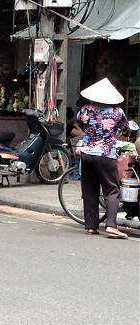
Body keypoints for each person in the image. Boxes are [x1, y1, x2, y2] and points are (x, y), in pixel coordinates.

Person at [76, 77, 129, 239]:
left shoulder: (85, 110)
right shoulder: (117, 112)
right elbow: (125, 128)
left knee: (89, 190)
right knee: (112, 190)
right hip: (106, 154)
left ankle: (91, 226)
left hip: (86, 153)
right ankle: (111, 226)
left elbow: (81, 123)